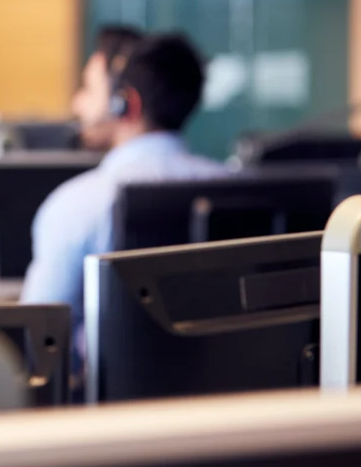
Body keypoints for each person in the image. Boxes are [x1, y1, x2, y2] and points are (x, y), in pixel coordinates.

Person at [20, 29, 227, 375]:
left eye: (88, 89)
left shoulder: (78, 204)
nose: (77, 104)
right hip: (238, 407)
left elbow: (36, 339)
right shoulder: (235, 188)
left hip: (113, 418)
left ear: (126, 104)